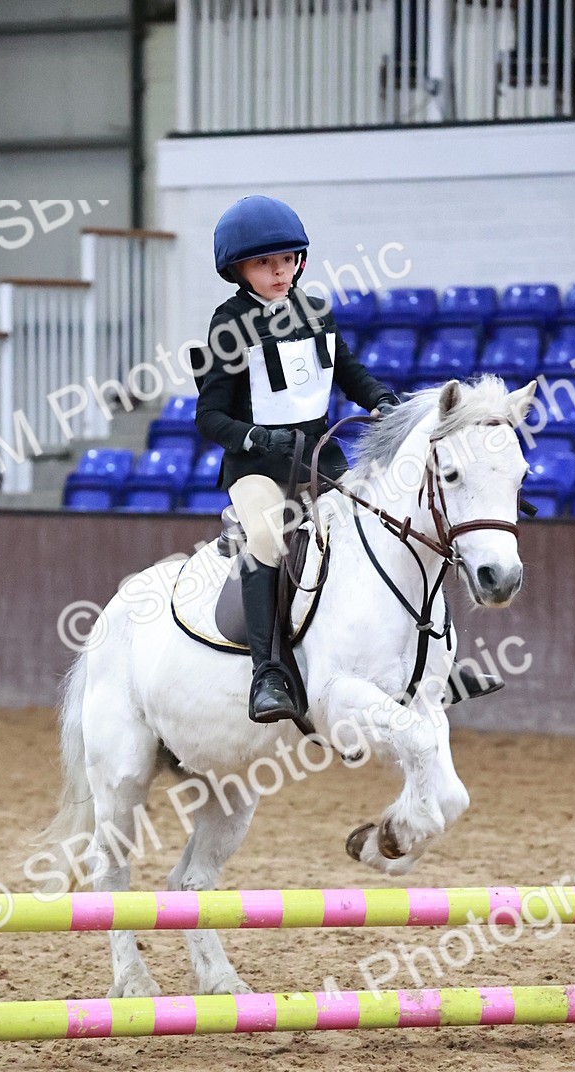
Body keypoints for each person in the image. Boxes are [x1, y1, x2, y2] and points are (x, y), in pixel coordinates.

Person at [194, 195, 401, 724]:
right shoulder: (228, 325)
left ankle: (412, 655)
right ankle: (268, 674)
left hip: (319, 458)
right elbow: (209, 417)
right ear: (238, 269)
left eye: (286, 259)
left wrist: (380, 399)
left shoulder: (316, 311)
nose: (279, 271)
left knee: (379, 525)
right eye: (264, 263)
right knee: (267, 539)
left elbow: (348, 372)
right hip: (256, 467)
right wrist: (259, 439)